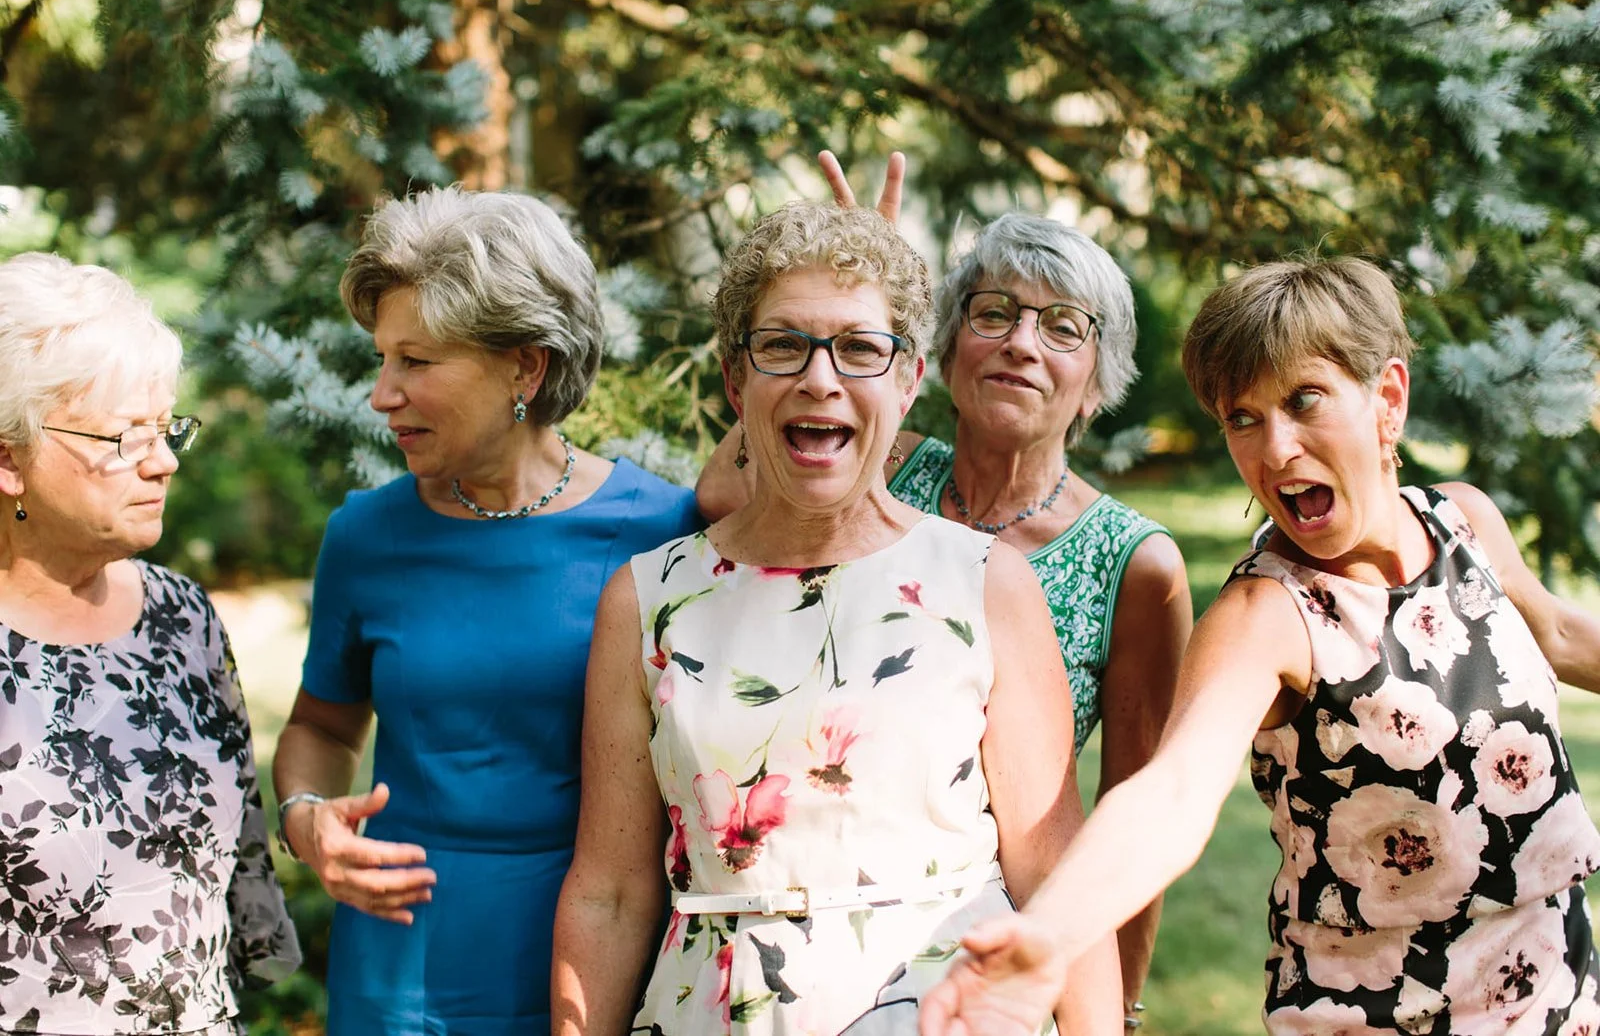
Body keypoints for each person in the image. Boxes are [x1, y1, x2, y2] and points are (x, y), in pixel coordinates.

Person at [921, 257, 1600, 1036]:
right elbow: (1170, 793)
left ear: (1387, 399)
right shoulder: (1267, 614)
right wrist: (1050, 935)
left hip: (1561, 997)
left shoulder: (1464, 522)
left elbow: (1558, 632)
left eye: (1303, 401)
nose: (1275, 449)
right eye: (1242, 417)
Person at [552, 202, 1121, 1034]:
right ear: (734, 378)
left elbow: (1052, 869)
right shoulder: (648, 598)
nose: (822, 379)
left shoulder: (984, 582)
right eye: (784, 345)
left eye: (859, 348)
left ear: (907, 378)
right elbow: (609, 890)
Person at [698, 154, 1192, 1018]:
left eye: (1063, 327)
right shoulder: (884, 467)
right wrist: (868, 298)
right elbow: (721, 493)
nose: (1021, 342)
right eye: (992, 312)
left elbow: (1130, 819)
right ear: (945, 349)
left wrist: (1121, 1005)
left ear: (1096, 382)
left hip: (985, 957)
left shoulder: (1133, 563)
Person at [270, 187, 701, 1035]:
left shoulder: (662, 532)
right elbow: (321, 727)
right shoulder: (365, 535)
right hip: (398, 967)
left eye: (416, 362)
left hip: (596, 961)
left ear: (525, 367)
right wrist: (306, 820)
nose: (381, 394)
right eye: (381, 359)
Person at [0, 252, 299, 1032]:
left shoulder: (183, 618)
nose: (163, 461)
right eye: (124, 438)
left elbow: (243, 888)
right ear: (8, 457)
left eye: (165, 429)